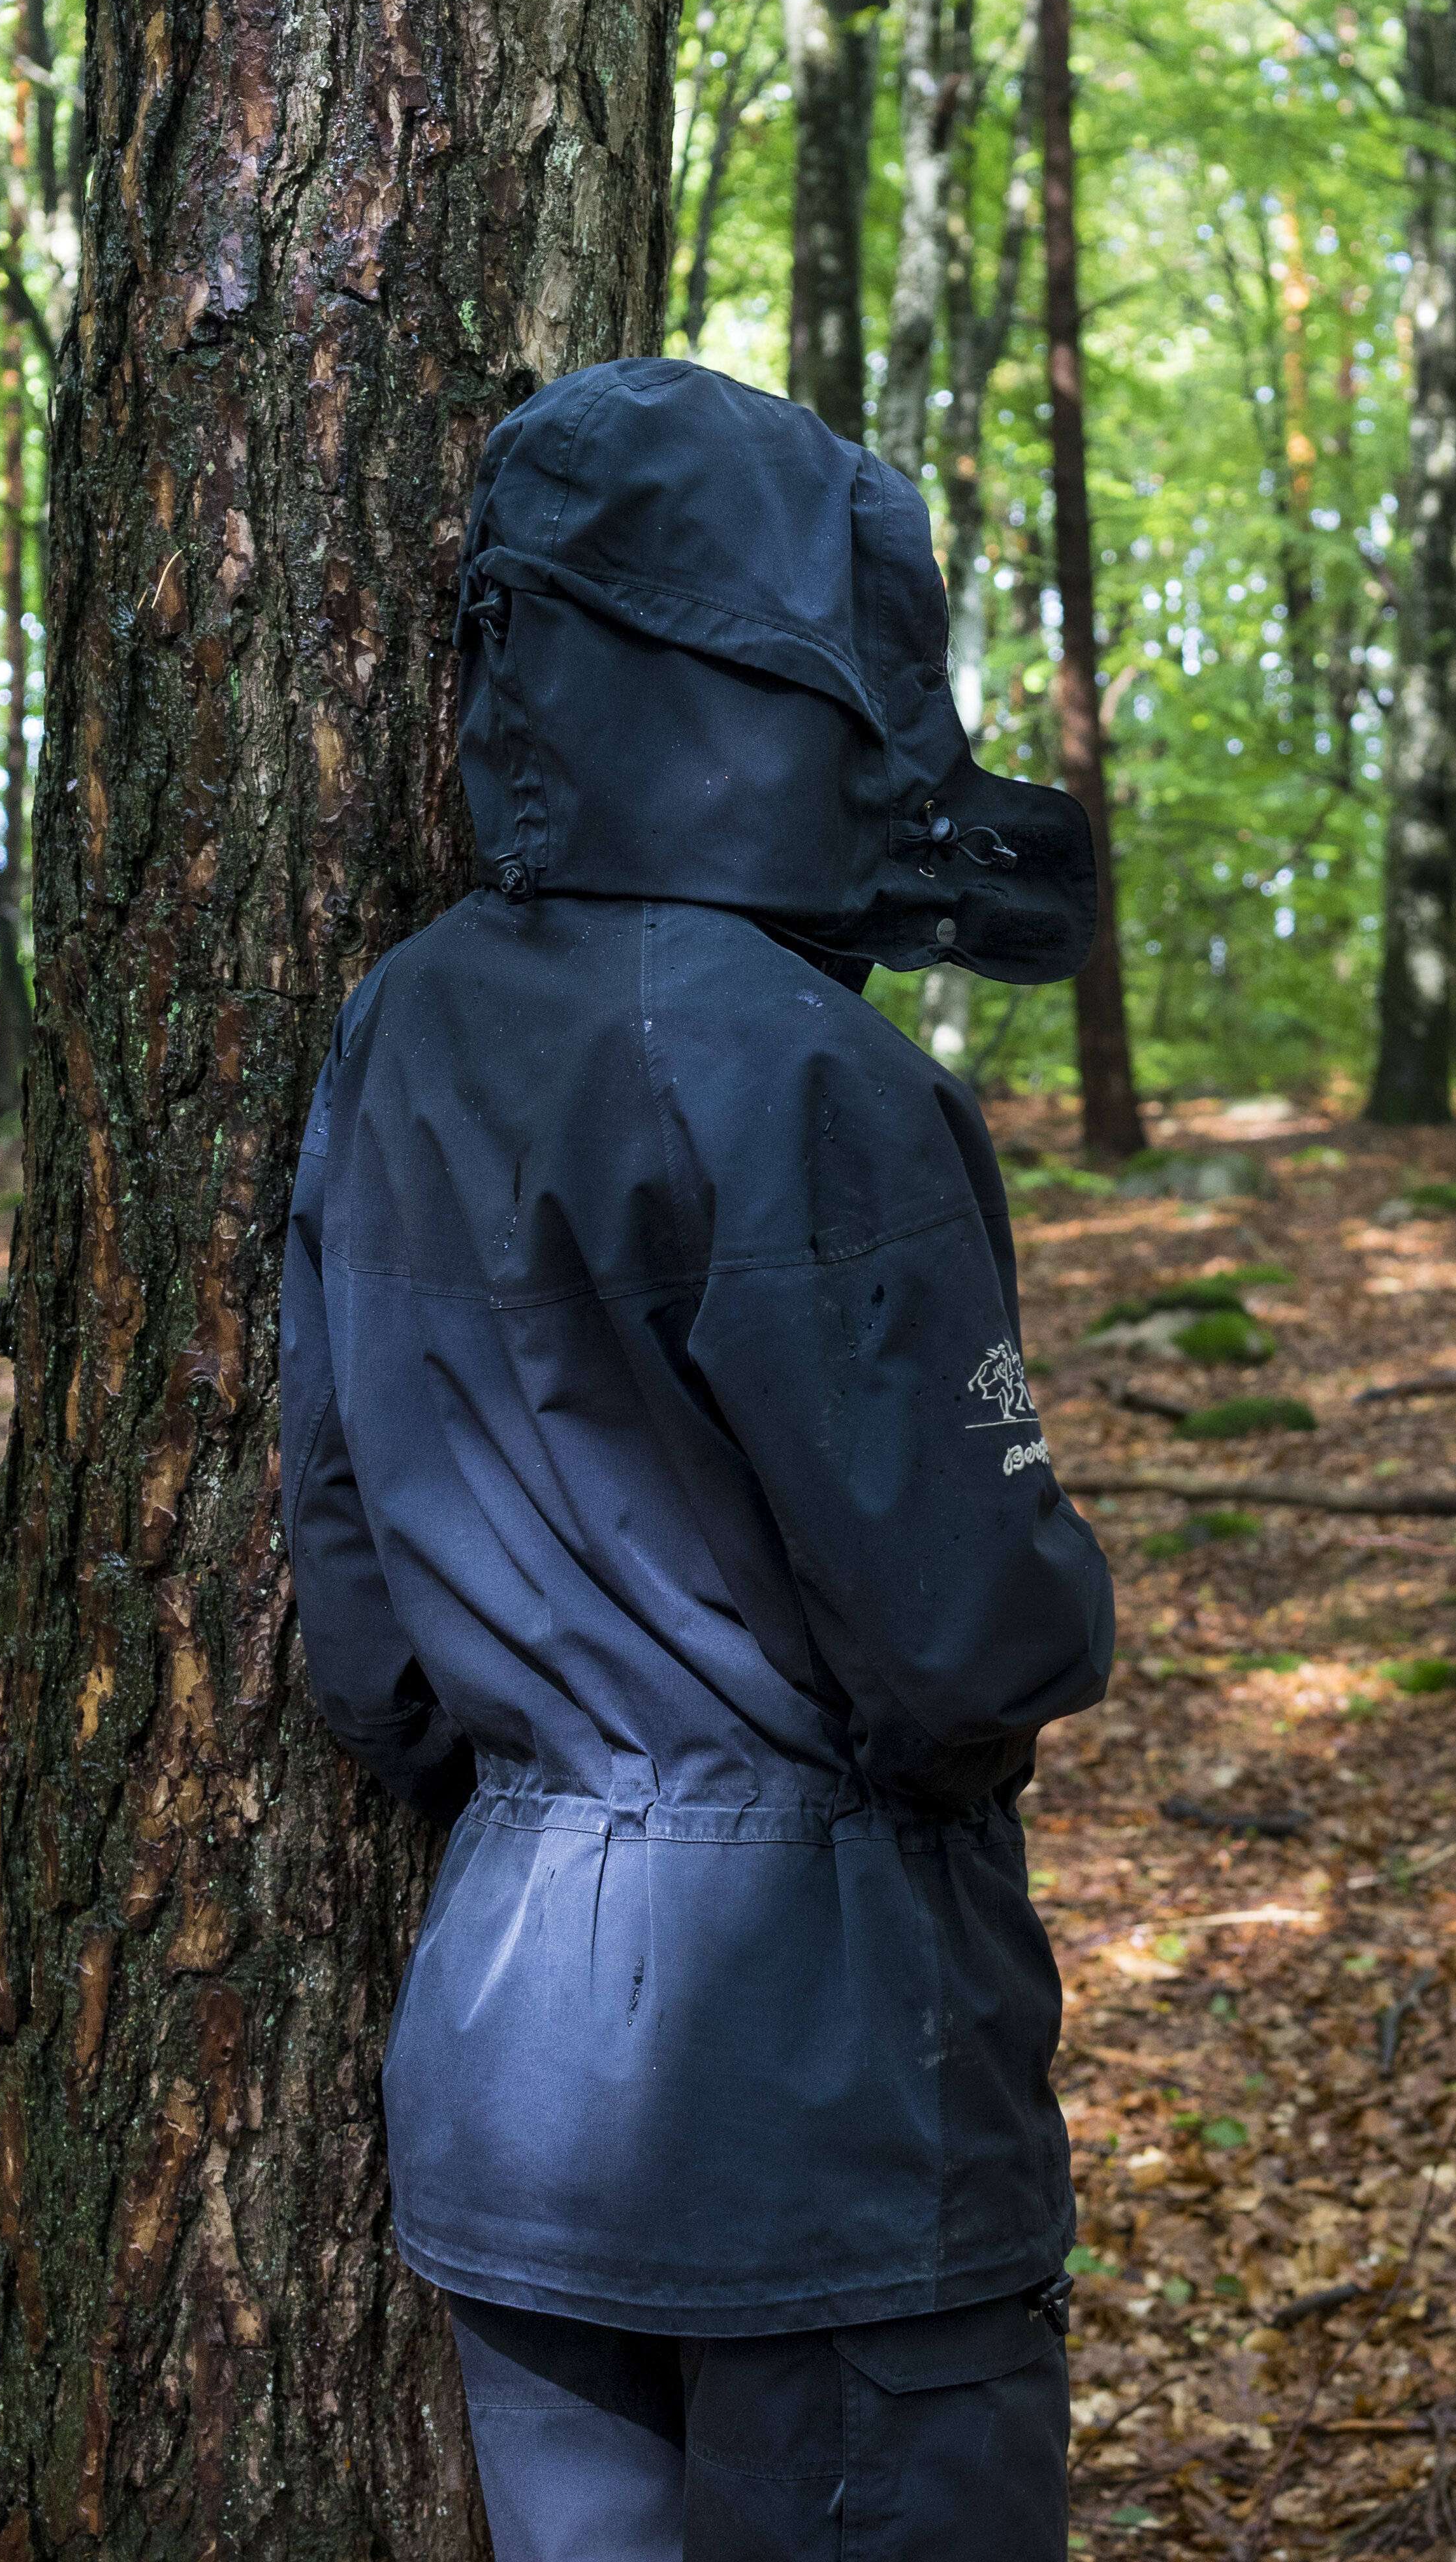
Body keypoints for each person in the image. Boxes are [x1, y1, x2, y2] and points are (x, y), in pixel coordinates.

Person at [278, 358, 1117, 2562]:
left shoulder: (404, 1020)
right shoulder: (812, 1073)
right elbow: (969, 1639)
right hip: (826, 2088)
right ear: (804, 667)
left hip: (510, 2073)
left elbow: (358, 1628)